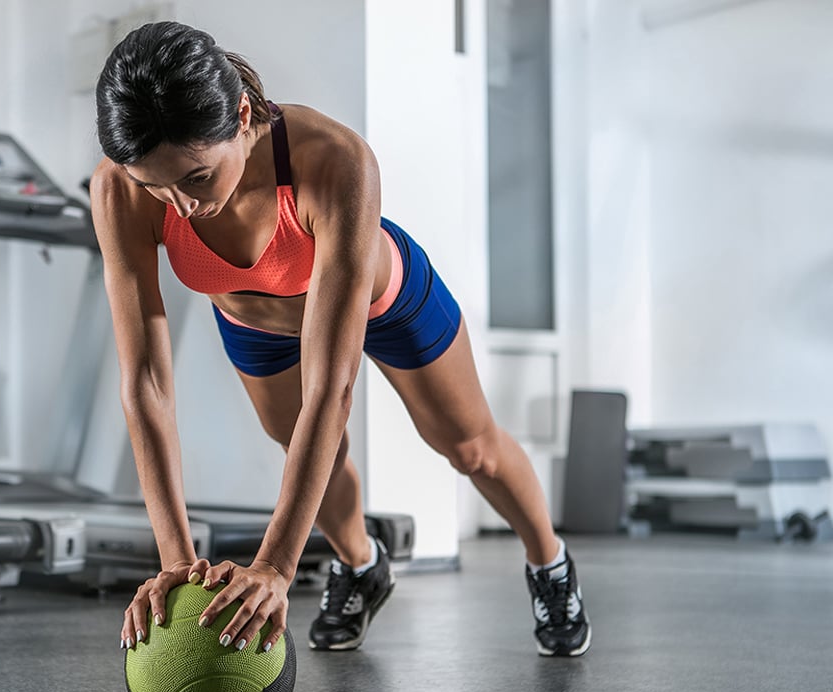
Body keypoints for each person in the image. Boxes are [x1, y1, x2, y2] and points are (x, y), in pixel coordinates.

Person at [90, 21, 590, 658]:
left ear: (241, 116)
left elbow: (333, 386)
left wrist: (275, 567)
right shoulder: (117, 190)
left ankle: (550, 563)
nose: (176, 206)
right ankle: (360, 564)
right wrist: (177, 565)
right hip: (254, 321)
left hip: (385, 300)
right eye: (151, 185)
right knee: (305, 451)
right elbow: (145, 382)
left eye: (195, 178)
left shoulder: (333, 161)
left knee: (469, 448)